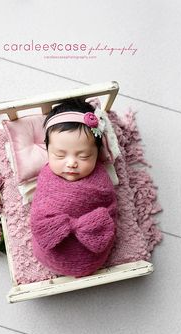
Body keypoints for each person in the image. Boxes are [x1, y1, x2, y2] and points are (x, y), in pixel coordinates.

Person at [30, 98, 117, 277]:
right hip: (52, 240)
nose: (71, 163)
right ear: (47, 150)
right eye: (59, 155)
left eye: (83, 156)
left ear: (97, 154)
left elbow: (110, 209)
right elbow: (38, 210)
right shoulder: (46, 177)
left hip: (92, 242)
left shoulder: (101, 181)